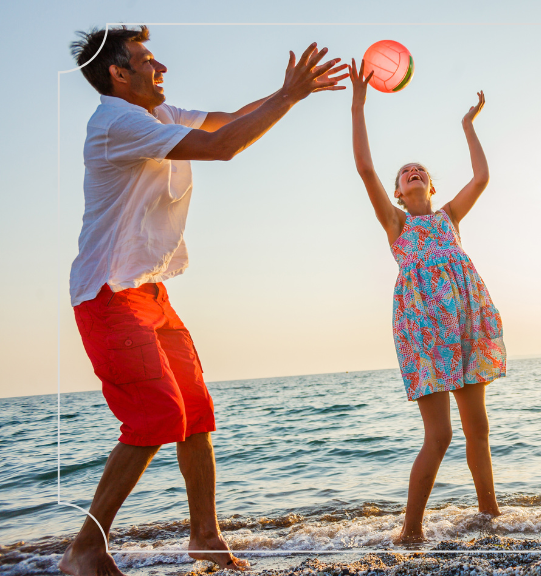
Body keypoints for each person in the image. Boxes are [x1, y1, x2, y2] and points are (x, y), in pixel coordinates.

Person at [62, 25, 348, 576]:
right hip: (106, 294)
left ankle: (206, 539)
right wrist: (288, 97)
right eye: (146, 61)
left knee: (195, 413)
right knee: (157, 415)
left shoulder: (156, 116)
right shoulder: (115, 122)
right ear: (118, 74)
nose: (160, 68)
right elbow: (222, 147)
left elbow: (227, 120)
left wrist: (293, 88)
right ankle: (84, 549)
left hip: (148, 292)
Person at [347, 59, 506, 543]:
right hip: (425, 330)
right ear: (398, 191)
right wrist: (359, 104)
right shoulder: (397, 224)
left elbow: (481, 176)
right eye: (405, 174)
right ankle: (410, 529)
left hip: (466, 321)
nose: (412, 173)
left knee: (477, 428)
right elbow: (365, 167)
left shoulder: (450, 217)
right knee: (440, 435)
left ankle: (490, 516)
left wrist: (467, 126)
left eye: (421, 171)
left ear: (431, 187)